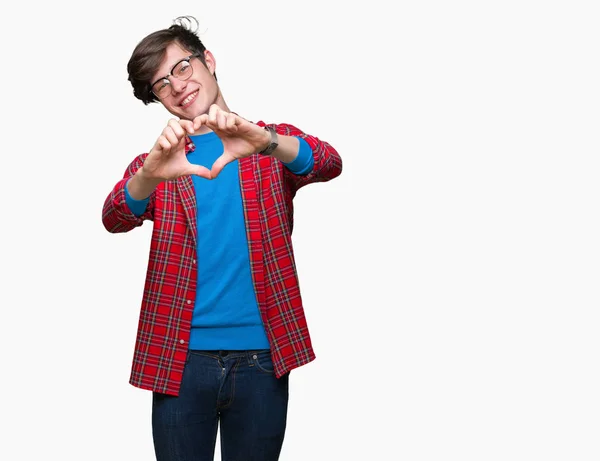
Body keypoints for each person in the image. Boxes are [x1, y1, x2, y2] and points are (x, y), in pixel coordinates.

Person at [101, 15, 342, 461]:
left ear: (208, 61)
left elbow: (327, 162)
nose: (176, 86)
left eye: (182, 67)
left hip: (262, 358)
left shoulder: (268, 146)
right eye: (161, 85)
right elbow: (114, 216)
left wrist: (266, 140)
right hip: (181, 359)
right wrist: (149, 174)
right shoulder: (160, 163)